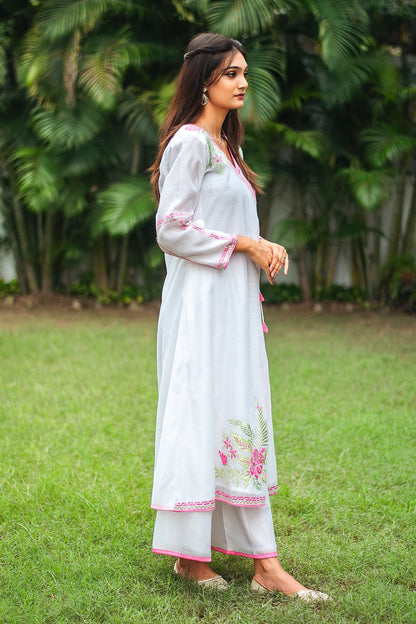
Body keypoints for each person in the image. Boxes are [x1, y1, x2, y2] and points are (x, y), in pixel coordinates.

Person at [149, 32, 329, 602]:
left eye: (245, 72)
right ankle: (247, 564)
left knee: (236, 419)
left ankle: (218, 559)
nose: (243, 82)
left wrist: (258, 246)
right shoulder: (190, 144)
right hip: (201, 311)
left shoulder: (230, 149)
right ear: (205, 79)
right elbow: (170, 229)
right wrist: (247, 245)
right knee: (203, 413)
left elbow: (222, 224)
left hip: (233, 309)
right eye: (232, 73)